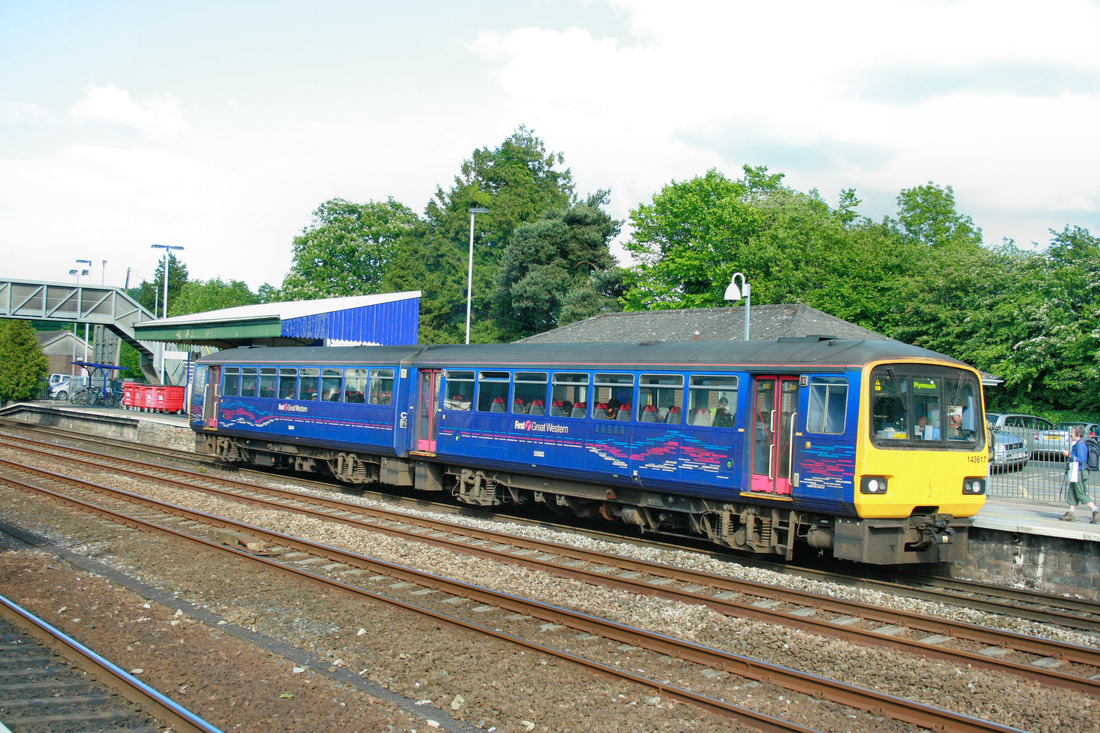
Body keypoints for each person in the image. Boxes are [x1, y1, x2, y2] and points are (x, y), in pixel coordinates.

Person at [1060, 425, 1099, 522]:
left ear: (1078, 434)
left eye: (1072, 432)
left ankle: (1096, 511)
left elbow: (1081, 460)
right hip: (1076, 471)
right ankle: (1070, 513)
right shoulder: (1078, 444)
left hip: (1079, 472)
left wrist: (1068, 455)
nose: (1070, 434)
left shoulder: (1080, 445)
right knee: (1072, 492)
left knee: (1080, 493)